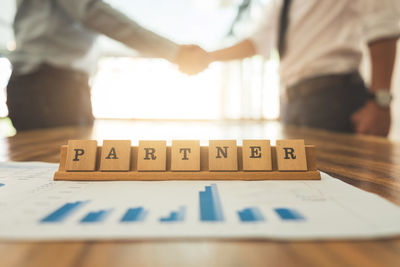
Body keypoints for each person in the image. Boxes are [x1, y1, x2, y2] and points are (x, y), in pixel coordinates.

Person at [191, 0, 400, 136]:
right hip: (292, 104)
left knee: (338, 189)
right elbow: (257, 41)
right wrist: (208, 57)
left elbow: (381, 23)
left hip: (334, 99)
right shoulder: (281, 5)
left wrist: (380, 102)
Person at [7, 0, 208, 131]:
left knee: (71, 171)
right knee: (58, 172)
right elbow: (96, 14)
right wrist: (174, 52)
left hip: (56, 83)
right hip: (45, 84)